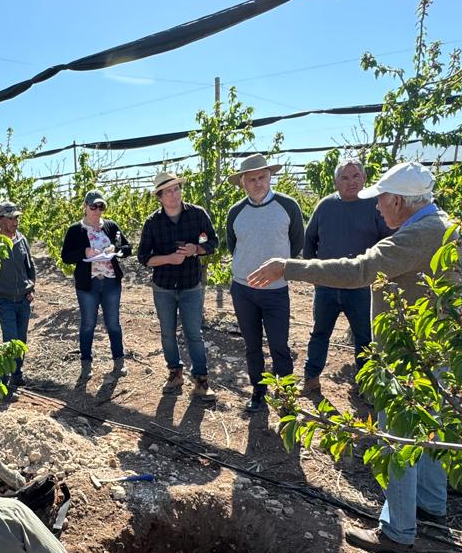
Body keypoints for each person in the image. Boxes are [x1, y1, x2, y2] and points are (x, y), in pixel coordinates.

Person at [248, 162, 454, 553]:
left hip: (407, 353)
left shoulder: (418, 235)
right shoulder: (445, 226)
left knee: (396, 434)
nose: (377, 209)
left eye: (380, 201)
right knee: (428, 427)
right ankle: (430, 504)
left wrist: (287, 267)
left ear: (398, 200)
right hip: (433, 348)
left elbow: (359, 269)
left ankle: (397, 531)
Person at [300, 158, 395, 398]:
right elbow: (309, 239)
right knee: (320, 332)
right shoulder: (325, 206)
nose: (351, 182)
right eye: (344, 177)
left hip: (362, 286)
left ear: (364, 179)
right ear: (335, 182)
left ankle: (366, 386)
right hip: (327, 285)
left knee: (365, 338)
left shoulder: (375, 206)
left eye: (356, 176)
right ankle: (311, 379)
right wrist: (314, 272)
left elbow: (388, 243)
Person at [224, 154, 306, 414]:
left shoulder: (288, 206)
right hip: (244, 291)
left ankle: (286, 395)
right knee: (252, 345)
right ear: (243, 183)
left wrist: (278, 270)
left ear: (270, 176)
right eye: (252, 179)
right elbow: (232, 245)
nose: (258, 183)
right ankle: (258, 392)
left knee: (279, 344)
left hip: (275, 291)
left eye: (262, 177)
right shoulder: (236, 212)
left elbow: (297, 242)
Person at [136, 170, 220, 401]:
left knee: (194, 333)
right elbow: (143, 257)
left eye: (176, 189)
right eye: (168, 192)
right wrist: (168, 259)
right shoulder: (153, 223)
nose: (174, 195)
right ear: (160, 197)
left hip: (191, 284)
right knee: (167, 333)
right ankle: (175, 373)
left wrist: (197, 249)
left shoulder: (197, 215)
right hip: (163, 287)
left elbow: (213, 242)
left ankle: (201, 380)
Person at [60, 189, 132, 377]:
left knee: (113, 324)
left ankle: (119, 362)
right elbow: (66, 256)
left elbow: (127, 248)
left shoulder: (111, 226)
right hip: (88, 284)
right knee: (88, 324)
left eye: (101, 206)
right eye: (93, 206)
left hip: (110, 283)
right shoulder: (76, 230)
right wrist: (84, 252)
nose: (97, 210)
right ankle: (86, 364)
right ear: (85, 207)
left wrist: (114, 248)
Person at [0, 200, 37, 392]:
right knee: (9, 342)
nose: (15, 222)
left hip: (23, 300)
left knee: (20, 341)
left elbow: (30, 268)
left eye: (17, 218)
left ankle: (17, 375)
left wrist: (31, 289)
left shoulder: (21, 239)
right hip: (4, 301)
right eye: (11, 218)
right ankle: (2, 385)